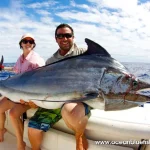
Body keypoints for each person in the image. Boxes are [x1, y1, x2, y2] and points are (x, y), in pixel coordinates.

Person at [27, 24, 91, 150]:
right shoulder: (50, 61)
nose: (64, 38)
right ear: (56, 39)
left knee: (69, 110)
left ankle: (79, 137)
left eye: (67, 35)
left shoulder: (84, 53)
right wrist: (34, 101)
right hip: (54, 99)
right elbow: (44, 86)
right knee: (32, 129)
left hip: (77, 98)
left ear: (73, 37)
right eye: (60, 36)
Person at [0, 33, 45, 150]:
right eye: (25, 41)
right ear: (21, 44)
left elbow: (43, 79)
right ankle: (1, 129)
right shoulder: (20, 59)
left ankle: (21, 143)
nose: (28, 43)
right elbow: (16, 70)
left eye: (31, 41)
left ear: (33, 45)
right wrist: (3, 68)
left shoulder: (36, 60)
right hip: (16, 93)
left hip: (28, 98)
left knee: (13, 114)